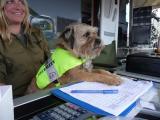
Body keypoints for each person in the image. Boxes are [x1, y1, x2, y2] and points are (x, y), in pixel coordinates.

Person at [0, 0, 50, 98]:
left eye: (21, 2)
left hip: (47, 94)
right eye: (10, 2)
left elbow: (50, 62)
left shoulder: (36, 33)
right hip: (17, 102)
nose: (18, 7)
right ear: (2, 7)